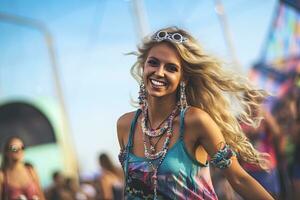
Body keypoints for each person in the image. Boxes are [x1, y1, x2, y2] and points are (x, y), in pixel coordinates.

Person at [117, 26, 274, 199]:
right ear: (143, 65)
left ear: (183, 77)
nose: (159, 72)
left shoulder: (195, 121)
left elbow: (239, 179)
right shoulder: (126, 126)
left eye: (171, 68)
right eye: (153, 63)